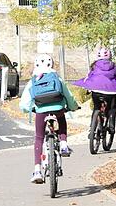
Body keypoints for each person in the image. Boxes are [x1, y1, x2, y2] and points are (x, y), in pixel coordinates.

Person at [20, 54, 79, 184]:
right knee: (61, 120)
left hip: (41, 111)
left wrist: (29, 109)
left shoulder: (33, 81)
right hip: (57, 109)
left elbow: (24, 104)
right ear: (52, 65)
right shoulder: (57, 78)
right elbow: (68, 96)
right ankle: (63, 144)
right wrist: (73, 106)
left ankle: (37, 171)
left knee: (39, 138)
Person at [72, 47, 116, 136]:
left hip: (96, 90)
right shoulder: (113, 65)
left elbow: (90, 76)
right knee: (112, 108)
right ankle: (111, 127)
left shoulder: (94, 65)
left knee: (96, 108)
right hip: (109, 91)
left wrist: (87, 89)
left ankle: (91, 130)